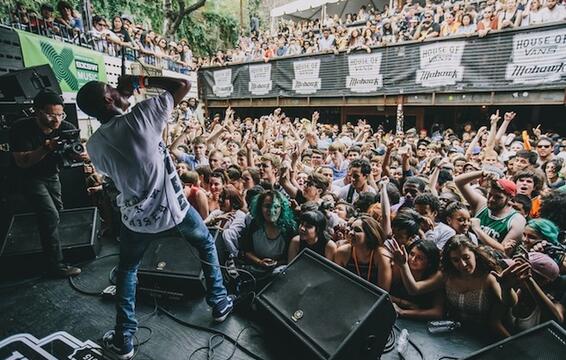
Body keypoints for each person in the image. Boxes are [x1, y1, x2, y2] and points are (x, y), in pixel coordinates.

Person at [76, 75, 233, 359]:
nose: (117, 88)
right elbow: (182, 85)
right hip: (175, 212)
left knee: (127, 271)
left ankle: (124, 339)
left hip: (136, 221)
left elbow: (121, 159)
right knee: (206, 245)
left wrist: (123, 99)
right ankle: (219, 302)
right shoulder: (142, 116)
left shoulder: (94, 146)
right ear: (108, 99)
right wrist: (140, 79)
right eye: (112, 88)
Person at [9, 90, 82, 277]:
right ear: (37, 111)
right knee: (49, 215)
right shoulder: (21, 128)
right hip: (28, 176)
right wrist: (46, 148)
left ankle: (50, 252)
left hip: (52, 175)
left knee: (57, 212)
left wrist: (77, 153)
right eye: (50, 115)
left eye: (60, 114)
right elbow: (22, 162)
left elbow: (78, 153)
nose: (56, 120)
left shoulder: (66, 127)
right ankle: (56, 266)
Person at [389, 235, 521, 338]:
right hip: (453, 334)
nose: (462, 264)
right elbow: (414, 289)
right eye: (456, 260)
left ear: (475, 254)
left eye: (466, 257)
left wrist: (507, 288)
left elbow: (509, 302)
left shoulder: (488, 278)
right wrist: (403, 265)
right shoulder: (447, 275)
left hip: (484, 336)